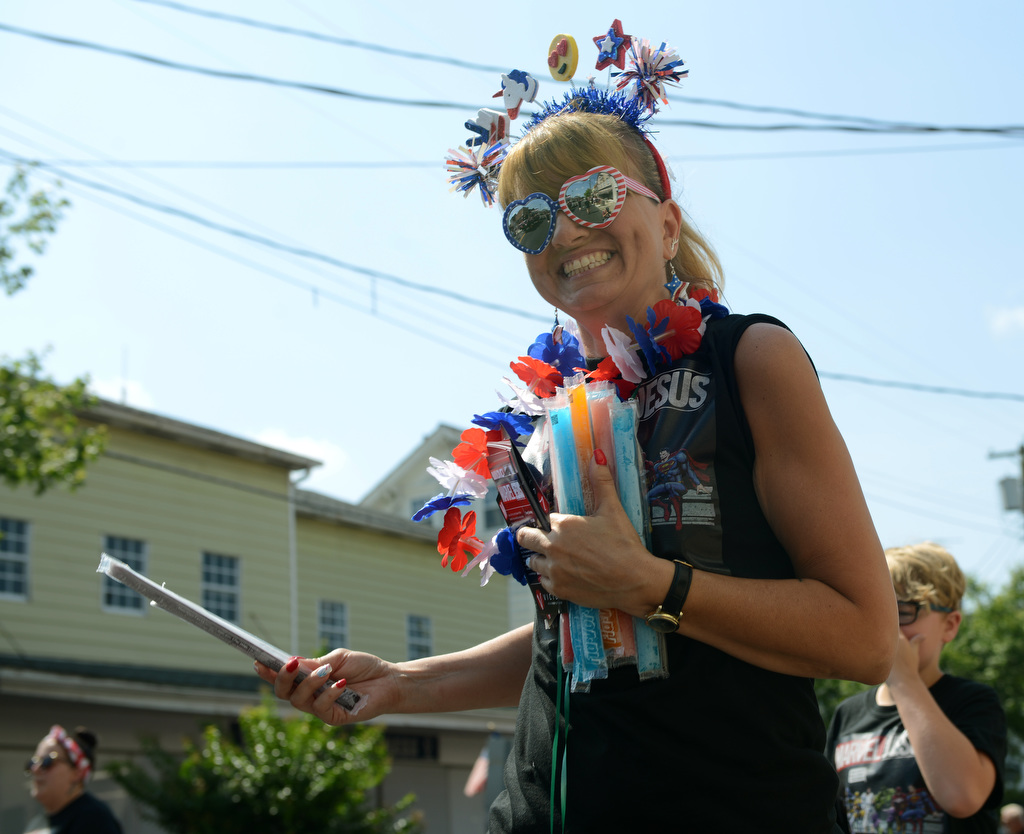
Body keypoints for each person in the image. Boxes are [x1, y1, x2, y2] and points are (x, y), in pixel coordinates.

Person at [257, 48, 898, 832]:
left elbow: (866, 639)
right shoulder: (545, 413)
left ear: (666, 224)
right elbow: (576, 627)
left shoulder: (749, 360)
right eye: (529, 219)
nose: (565, 230)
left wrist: (656, 585)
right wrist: (404, 683)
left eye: (594, 194)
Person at [827, 542, 1007, 832]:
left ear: (950, 625)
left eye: (904, 611)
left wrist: (904, 679)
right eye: (879, 610)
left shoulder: (972, 701)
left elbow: (962, 797)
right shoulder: (847, 713)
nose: (888, 626)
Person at [23, 724, 124, 834]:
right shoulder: (38, 822)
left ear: (77, 773)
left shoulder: (94, 819)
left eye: (47, 762)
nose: (35, 769)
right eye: (33, 762)